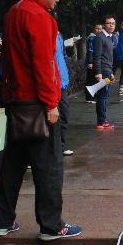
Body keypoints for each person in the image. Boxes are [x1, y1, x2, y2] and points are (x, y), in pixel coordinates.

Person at [0, 0, 81, 240]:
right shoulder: (40, 16)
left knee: (13, 163)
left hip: (16, 100)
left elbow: (10, 61)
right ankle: (51, 226)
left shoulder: (13, 12)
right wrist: (51, 102)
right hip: (38, 103)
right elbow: (44, 64)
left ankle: (3, 221)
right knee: (49, 165)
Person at [94, 15, 117, 131]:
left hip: (107, 71)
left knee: (105, 96)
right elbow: (97, 56)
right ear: (104, 25)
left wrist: (111, 72)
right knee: (102, 96)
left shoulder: (109, 37)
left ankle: (103, 120)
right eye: (109, 23)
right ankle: (101, 122)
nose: (111, 25)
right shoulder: (100, 37)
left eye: (113, 23)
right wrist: (98, 72)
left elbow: (108, 57)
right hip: (102, 71)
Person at [55, 21, 73, 156]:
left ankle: (60, 147)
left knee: (64, 115)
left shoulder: (59, 36)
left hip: (62, 82)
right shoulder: (45, 35)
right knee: (50, 118)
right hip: (51, 82)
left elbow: (63, 55)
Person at [84, 23, 102, 103]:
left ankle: (90, 97)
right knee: (91, 80)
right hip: (92, 62)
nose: (99, 30)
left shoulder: (96, 37)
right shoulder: (92, 38)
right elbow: (90, 51)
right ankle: (90, 98)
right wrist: (90, 62)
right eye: (97, 28)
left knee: (91, 79)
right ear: (94, 29)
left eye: (100, 29)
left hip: (94, 61)